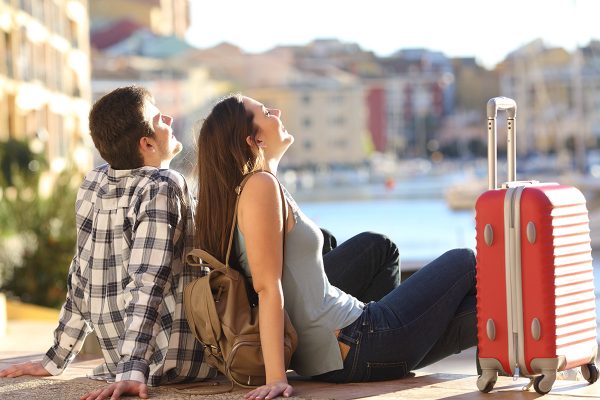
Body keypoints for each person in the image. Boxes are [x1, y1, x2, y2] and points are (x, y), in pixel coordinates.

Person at [194, 94, 477, 400]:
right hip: (355, 341)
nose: (277, 112)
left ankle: (393, 355)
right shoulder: (259, 186)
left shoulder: (255, 186)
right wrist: (276, 378)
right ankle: (392, 351)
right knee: (465, 259)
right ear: (255, 139)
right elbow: (267, 287)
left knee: (471, 308)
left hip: (336, 351)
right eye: (266, 112)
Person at [0, 86, 215, 400]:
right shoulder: (163, 184)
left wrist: (56, 358)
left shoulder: (94, 182)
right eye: (159, 118)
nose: (168, 118)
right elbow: (148, 281)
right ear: (147, 143)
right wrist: (132, 369)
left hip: (120, 356)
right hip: (172, 358)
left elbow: (81, 274)